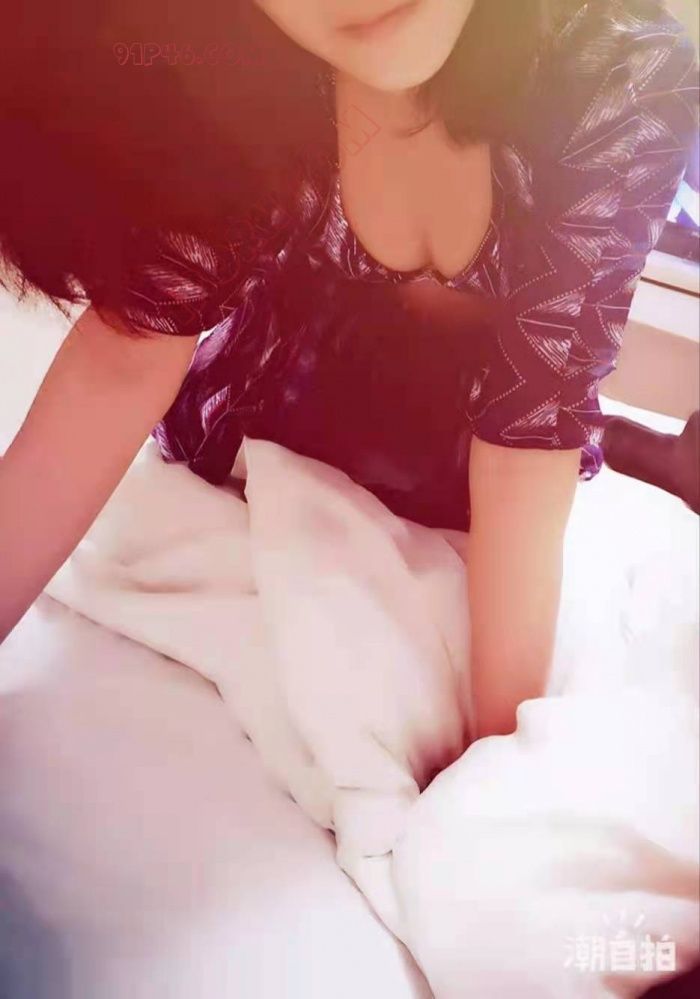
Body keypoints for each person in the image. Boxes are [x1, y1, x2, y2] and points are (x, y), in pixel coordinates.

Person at [0, 1, 697, 740]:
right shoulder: (242, 70)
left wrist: (501, 762)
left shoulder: (621, 75)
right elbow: (129, 347)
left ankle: (636, 446)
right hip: (277, 408)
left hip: (459, 466)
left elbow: (534, 424)